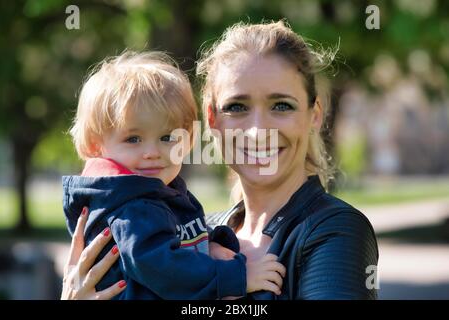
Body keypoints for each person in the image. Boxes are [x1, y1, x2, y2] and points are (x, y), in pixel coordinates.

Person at [61, 20, 379, 300]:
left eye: (281, 106)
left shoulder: (334, 230)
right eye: (237, 107)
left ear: (314, 114)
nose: (257, 132)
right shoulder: (198, 231)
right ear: (212, 119)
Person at [61, 50, 286, 299]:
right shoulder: (131, 207)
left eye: (167, 137)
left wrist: (208, 245)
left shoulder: (156, 192)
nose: (152, 152)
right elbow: (167, 270)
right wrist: (238, 277)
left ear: (187, 140)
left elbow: (171, 239)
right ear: (95, 145)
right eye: (133, 139)